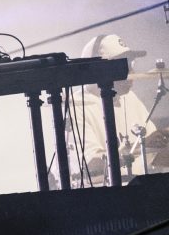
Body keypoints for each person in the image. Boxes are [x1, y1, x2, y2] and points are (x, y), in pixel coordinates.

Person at [67, 34, 167, 186]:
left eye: (131, 63)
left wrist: (160, 143)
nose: (131, 70)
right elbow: (90, 164)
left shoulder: (130, 98)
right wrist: (141, 146)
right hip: (105, 196)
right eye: (123, 64)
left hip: (139, 190)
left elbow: (154, 155)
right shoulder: (77, 105)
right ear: (98, 70)